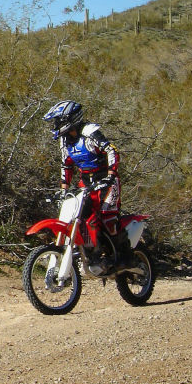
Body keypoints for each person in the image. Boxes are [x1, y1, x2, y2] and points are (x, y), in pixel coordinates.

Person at [42, 100, 130, 268]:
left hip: (106, 181)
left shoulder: (90, 133)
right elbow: (66, 165)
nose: (56, 125)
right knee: (80, 216)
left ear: (70, 119)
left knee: (107, 216)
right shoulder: (65, 140)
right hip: (86, 183)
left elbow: (111, 150)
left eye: (59, 121)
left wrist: (110, 176)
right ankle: (91, 252)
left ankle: (126, 256)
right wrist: (63, 190)